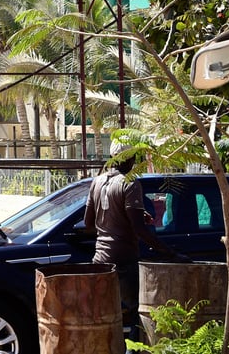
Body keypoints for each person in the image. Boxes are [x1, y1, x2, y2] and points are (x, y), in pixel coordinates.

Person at [83, 139, 184, 341]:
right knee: (138, 311)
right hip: (123, 259)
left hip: (100, 259)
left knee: (104, 312)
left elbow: (88, 222)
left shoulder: (97, 181)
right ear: (129, 158)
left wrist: (114, 223)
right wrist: (169, 252)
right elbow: (140, 230)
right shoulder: (129, 183)